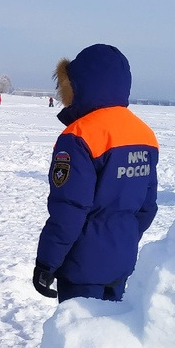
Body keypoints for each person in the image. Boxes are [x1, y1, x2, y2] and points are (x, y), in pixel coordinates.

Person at [33, 44, 159, 302]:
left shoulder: (79, 135)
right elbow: (147, 207)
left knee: (81, 338)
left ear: (78, 85)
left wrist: (47, 262)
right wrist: (121, 240)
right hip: (122, 260)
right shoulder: (144, 134)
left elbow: (69, 209)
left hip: (82, 266)